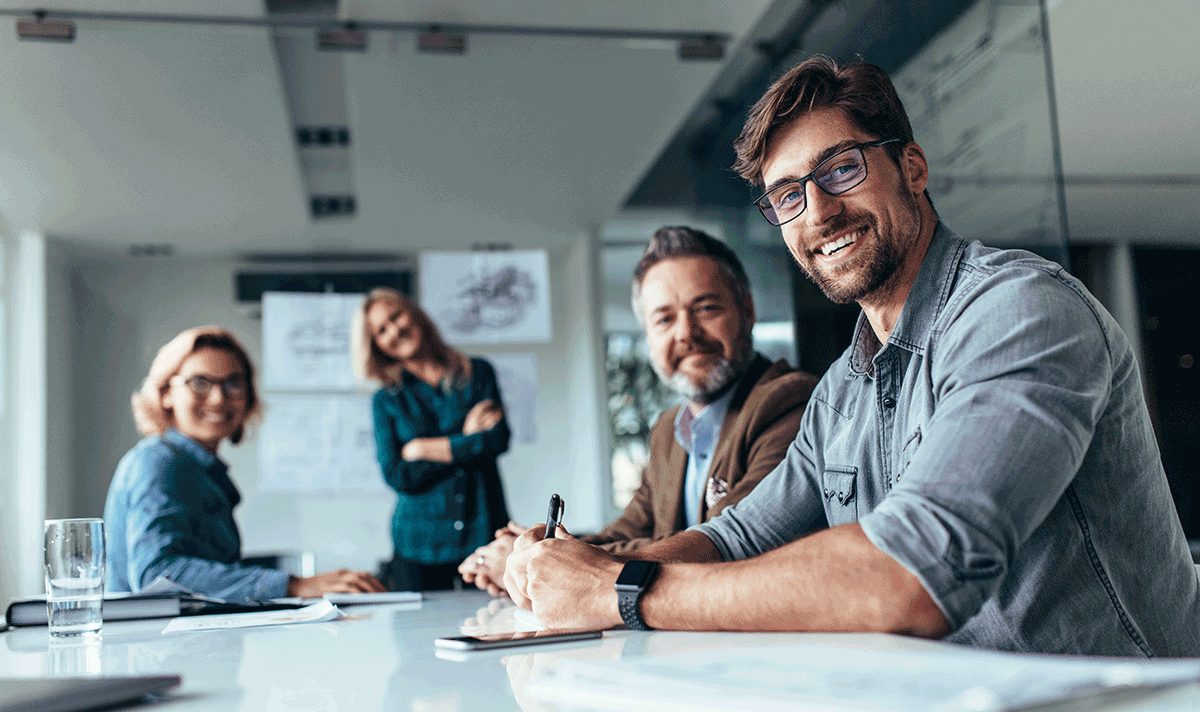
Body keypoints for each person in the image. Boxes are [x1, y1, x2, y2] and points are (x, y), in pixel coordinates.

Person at [504, 57, 1200, 657]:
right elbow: (738, 536)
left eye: (841, 168)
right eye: (788, 196)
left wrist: (623, 591)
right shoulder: (844, 388)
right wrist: (575, 569)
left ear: (912, 165)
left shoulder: (1020, 311)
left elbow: (911, 574)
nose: (819, 213)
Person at [459, 227, 818, 596]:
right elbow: (630, 531)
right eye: (664, 319)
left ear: (747, 311)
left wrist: (541, 561)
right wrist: (538, 550)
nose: (686, 333)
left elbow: (725, 541)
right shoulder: (669, 429)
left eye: (706, 308)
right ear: (648, 334)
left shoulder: (788, 402)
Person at [105, 326, 385, 601]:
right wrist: (293, 585)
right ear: (166, 393)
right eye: (200, 383)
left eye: (233, 384)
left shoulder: (200, 469)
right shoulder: (159, 463)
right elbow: (157, 575)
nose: (218, 398)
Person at [353, 287, 511, 591]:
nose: (394, 330)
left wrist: (423, 448)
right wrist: (466, 438)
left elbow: (497, 440)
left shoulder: (477, 373)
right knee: (416, 636)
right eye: (381, 330)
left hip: (484, 532)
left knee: (495, 627)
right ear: (376, 345)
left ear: (413, 312)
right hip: (418, 545)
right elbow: (398, 475)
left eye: (396, 316)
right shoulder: (386, 400)